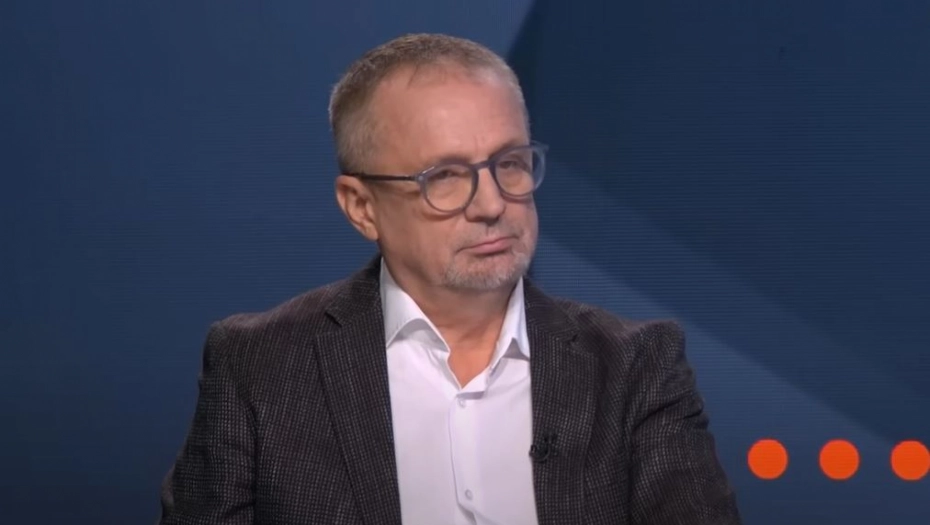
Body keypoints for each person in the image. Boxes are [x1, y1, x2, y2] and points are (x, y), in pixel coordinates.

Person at [159, 33, 741, 525]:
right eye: (445, 177)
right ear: (361, 207)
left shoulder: (635, 367)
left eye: (509, 163)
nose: (492, 204)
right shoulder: (259, 367)